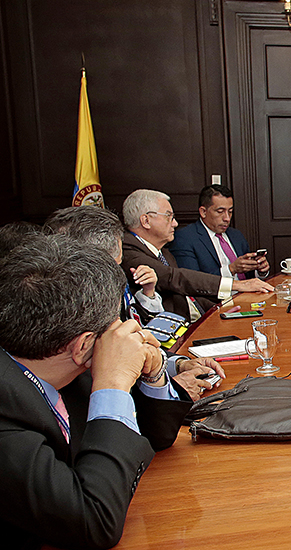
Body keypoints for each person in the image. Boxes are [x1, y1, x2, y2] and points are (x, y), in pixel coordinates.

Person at [0, 235, 194, 550]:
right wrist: (113, 383)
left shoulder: (63, 366)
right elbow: (94, 522)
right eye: (115, 323)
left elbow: (151, 439)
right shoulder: (6, 410)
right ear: (84, 345)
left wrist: (155, 372)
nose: (121, 331)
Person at [45, 206, 224, 401]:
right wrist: (171, 387)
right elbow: (114, 393)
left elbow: (137, 343)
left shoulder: (108, 296)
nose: (118, 276)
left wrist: (179, 364)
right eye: (116, 267)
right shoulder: (70, 321)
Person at [122, 189, 275, 321]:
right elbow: (177, 278)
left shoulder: (163, 251)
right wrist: (237, 285)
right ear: (146, 220)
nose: (175, 223)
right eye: (168, 216)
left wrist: (220, 310)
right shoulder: (128, 249)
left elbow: (190, 295)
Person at [169, 184, 269, 279]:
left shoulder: (236, 235)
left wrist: (260, 270)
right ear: (203, 212)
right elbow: (191, 281)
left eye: (230, 212)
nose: (227, 218)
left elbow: (247, 275)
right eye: (220, 212)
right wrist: (231, 269)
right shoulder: (185, 238)